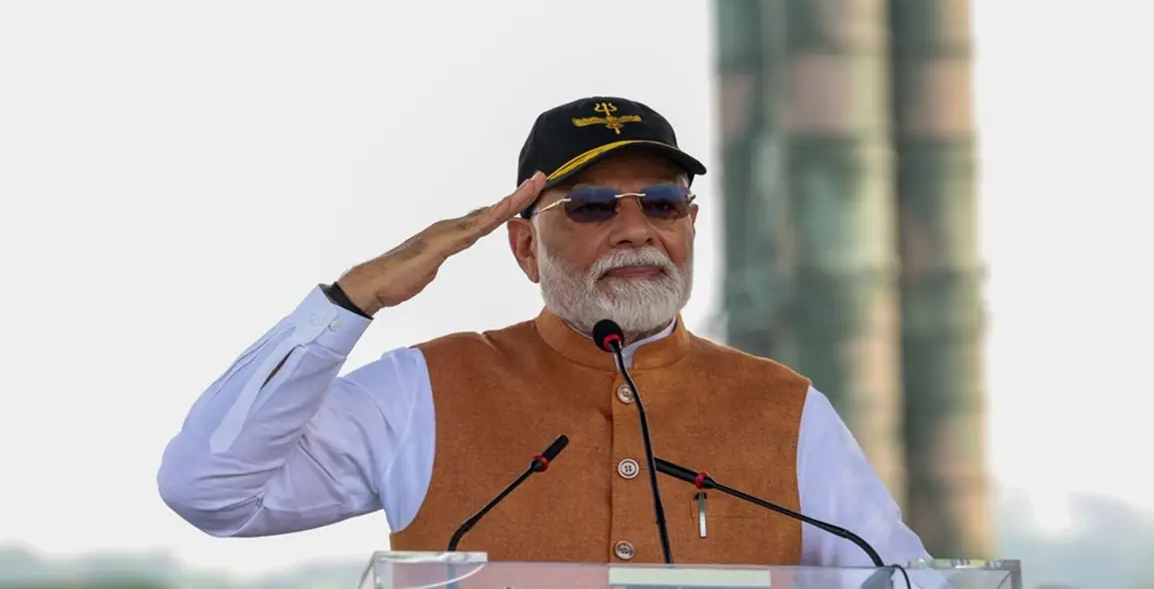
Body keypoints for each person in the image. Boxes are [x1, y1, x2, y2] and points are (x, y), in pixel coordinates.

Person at [157, 96, 930, 569]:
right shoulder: (424, 390)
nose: (636, 232)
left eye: (660, 204)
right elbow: (209, 491)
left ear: (689, 226)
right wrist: (348, 302)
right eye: (593, 208)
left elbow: (899, 576)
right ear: (526, 245)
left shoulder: (781, 406)